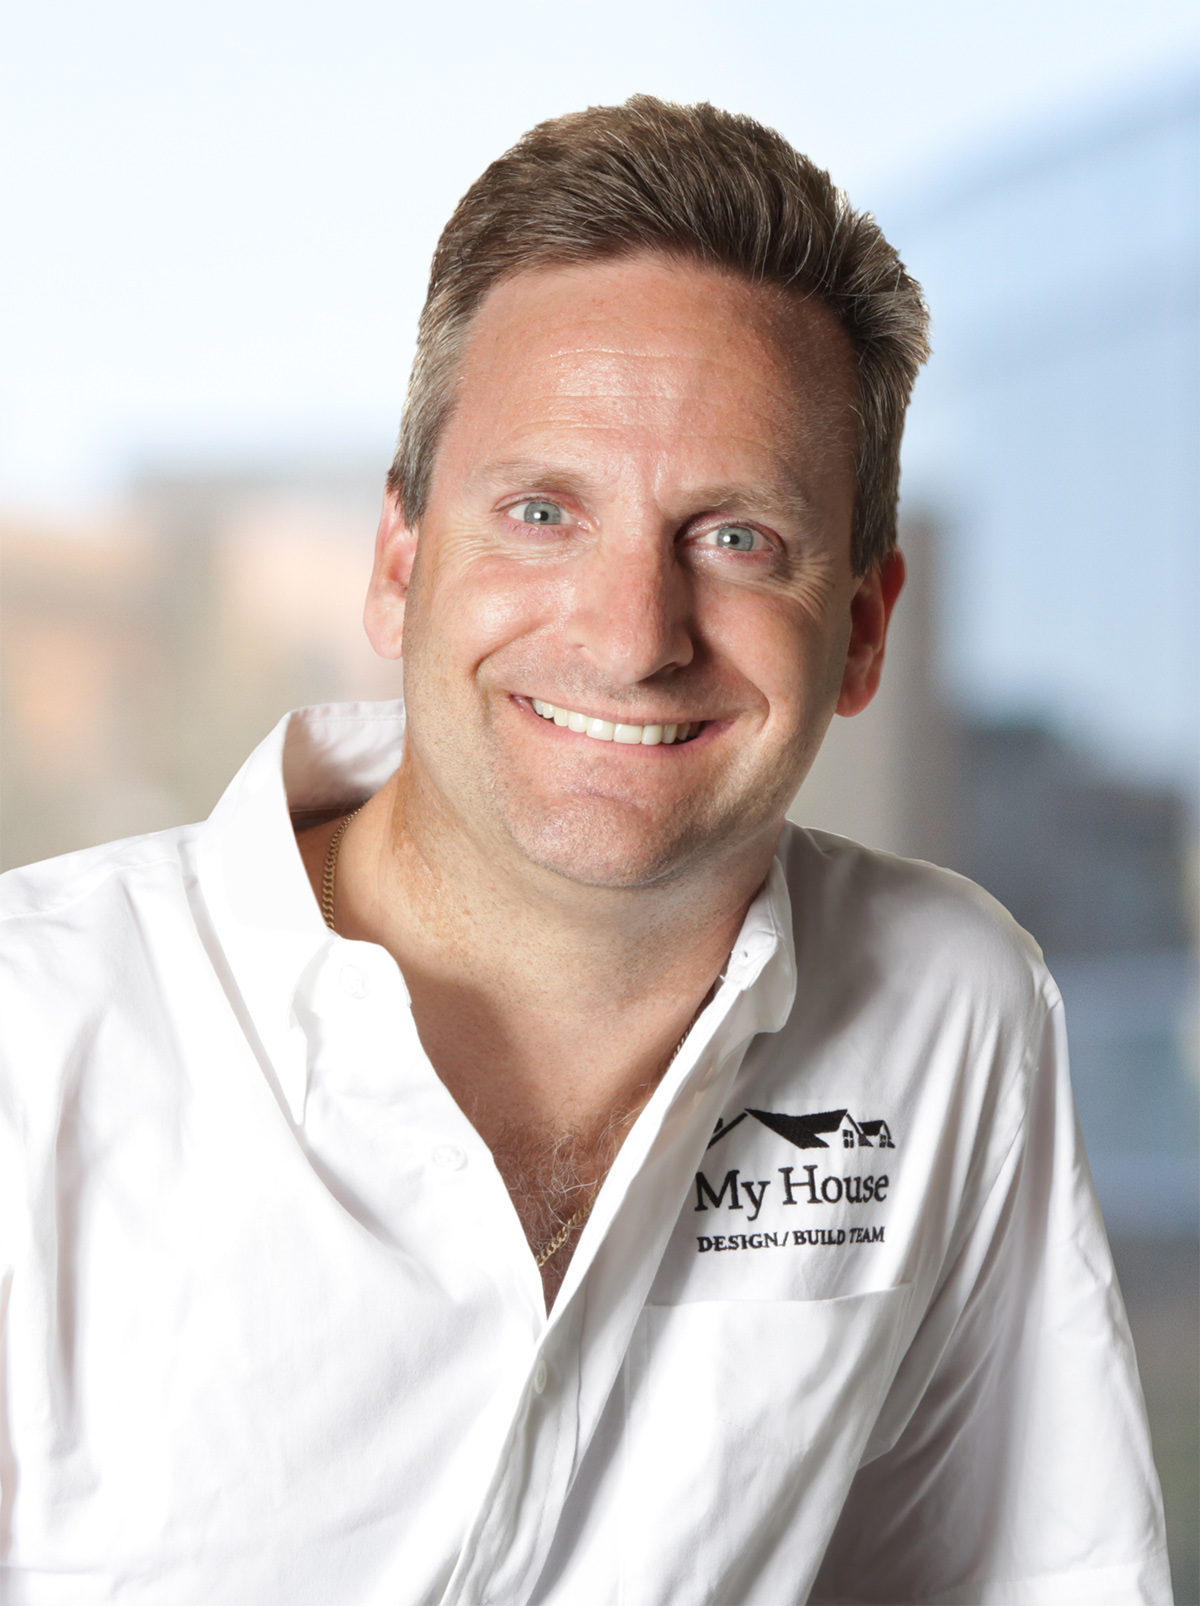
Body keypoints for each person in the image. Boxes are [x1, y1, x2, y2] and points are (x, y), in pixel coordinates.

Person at [0, 97, 1170, 1606]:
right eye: (545, 511)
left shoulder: (949, 1010)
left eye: (737, 538)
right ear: (399, 565)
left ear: (865, 628)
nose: (633, 636)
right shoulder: (35, 1038)